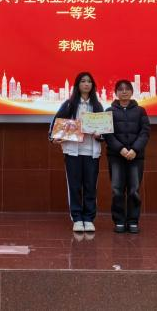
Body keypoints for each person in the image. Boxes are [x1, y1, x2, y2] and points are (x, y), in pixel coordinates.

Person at [49, 72, 103, 233]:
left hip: (91, 151)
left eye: (89, 81)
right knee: (74, 185)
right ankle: (77, 218)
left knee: (90, 186)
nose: (86, 84)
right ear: (77, 85)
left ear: (93, 85)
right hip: (73, 151)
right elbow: (56, 124)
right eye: (83, 81)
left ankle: (89, 218)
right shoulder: (69, 104)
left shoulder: (97, 106)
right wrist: (54, 137)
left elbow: (104, 130)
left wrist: (99, 135)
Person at [105, 79, 150, 234]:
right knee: (117, 189)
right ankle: (119, 220)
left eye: (127, 89)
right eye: (120, 89)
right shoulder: (109, 111)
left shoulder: (141, 111)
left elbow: (145, 132)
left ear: (132, 92)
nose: (124, 92)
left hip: (136, 157)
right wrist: (121, 149)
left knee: (134, 190)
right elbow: (108, 134)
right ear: (116, 93)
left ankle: (133, 221)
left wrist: (134, 150)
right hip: (116, 156)